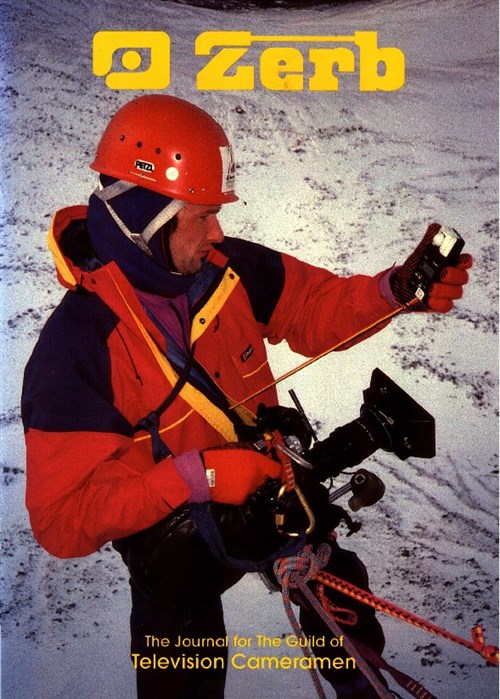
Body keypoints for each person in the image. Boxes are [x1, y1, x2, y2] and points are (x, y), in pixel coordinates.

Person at [22, 95, 472, 699]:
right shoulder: (76, 348)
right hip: (176, 543)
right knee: (181, 660)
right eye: (203, 215)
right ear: (145, 217)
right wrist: (195, 478)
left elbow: (313, 308)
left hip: (272, 489)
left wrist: (394, 291)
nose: (218, 232)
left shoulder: (226, 269)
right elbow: (61, 519)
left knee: (343, 606)